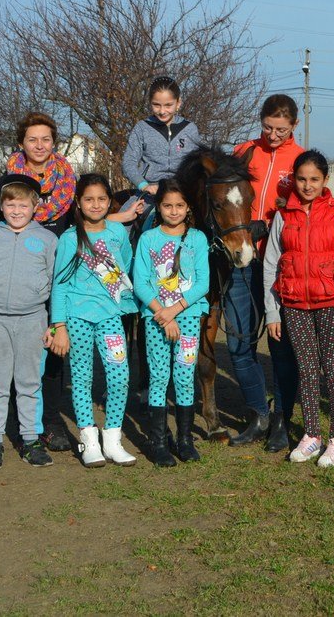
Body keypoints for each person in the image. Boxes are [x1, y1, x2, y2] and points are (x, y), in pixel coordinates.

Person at [0, 112, 142, 453]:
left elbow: (85, 218)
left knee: (52, 354)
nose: (40, 145)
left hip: (63, 273)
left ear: (54, 143)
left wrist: (119, 217)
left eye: (46, 139)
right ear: (21, 143)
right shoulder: (10, 183)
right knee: (17, 357)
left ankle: (48, 422)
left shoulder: (67, 177)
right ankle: (16, 422)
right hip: (28, 274)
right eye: (32, 139)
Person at [263, 150, 334, 467]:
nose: (307, 186)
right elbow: (270, 266)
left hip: (332, 304)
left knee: (332, 369)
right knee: (306, 371)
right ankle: (311, 435)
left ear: (325, 181)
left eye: (314, 180)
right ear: (294, 179)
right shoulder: (283, 217)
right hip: (294, 305)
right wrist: (272, 311)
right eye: (302, 179)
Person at [225, 94, 305, 451]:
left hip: (279, 262)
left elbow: (303, 205)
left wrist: (270, 223)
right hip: (240, 260)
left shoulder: (299, 158)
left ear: (293, 126)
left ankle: (282, 420)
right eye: (268, 127)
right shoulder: (244, 150)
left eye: (281, 129)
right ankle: (259, 413)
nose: (273, 135)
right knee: (239, 343)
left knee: (281, 346)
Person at [0, 177, 59, 470]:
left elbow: (58, 286)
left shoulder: (48, 240)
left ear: (35, 206)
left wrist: (54, 324)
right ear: (1, 207)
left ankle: (30, 439)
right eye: (10, 204)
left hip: (33, 320)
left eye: (23, 204)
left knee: (30, 383)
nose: (16, 211)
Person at [50, 174, 139, 468]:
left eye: (102, 198)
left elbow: (125, 267)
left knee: (119, 375)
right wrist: (59, 327)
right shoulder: (68, 238)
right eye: (89, 199)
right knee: (82, 378)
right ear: (78, 202)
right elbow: (59, 285)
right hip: (77, 318)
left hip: (110, 317)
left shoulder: (118, 233)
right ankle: (89, 441)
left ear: (109, 201)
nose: (96, 204)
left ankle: (112, 439)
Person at [131, 179, 210, 467]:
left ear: (188, 207)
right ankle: (158, 441)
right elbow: (139, 281)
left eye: (179, 205)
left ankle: (185, 439)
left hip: (187, 318)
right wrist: (161, 313)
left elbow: (203, 282)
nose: (173, 211)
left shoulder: (197, 239)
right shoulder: (149, 239)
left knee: (185, 375)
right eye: (167, 205)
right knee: (159, 377)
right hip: (155, 319)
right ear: (159, 207)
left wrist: (175, 310)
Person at [121, 76, 203, 223]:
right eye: (156, 105)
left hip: (183, 193)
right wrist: (144, 185)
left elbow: (197, 164)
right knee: (123, 223)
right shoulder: (141, 128)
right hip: (150, 194)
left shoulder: (190, 129)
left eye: (168, 105)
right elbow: (129, 162)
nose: (162, 111)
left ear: (178, 103)